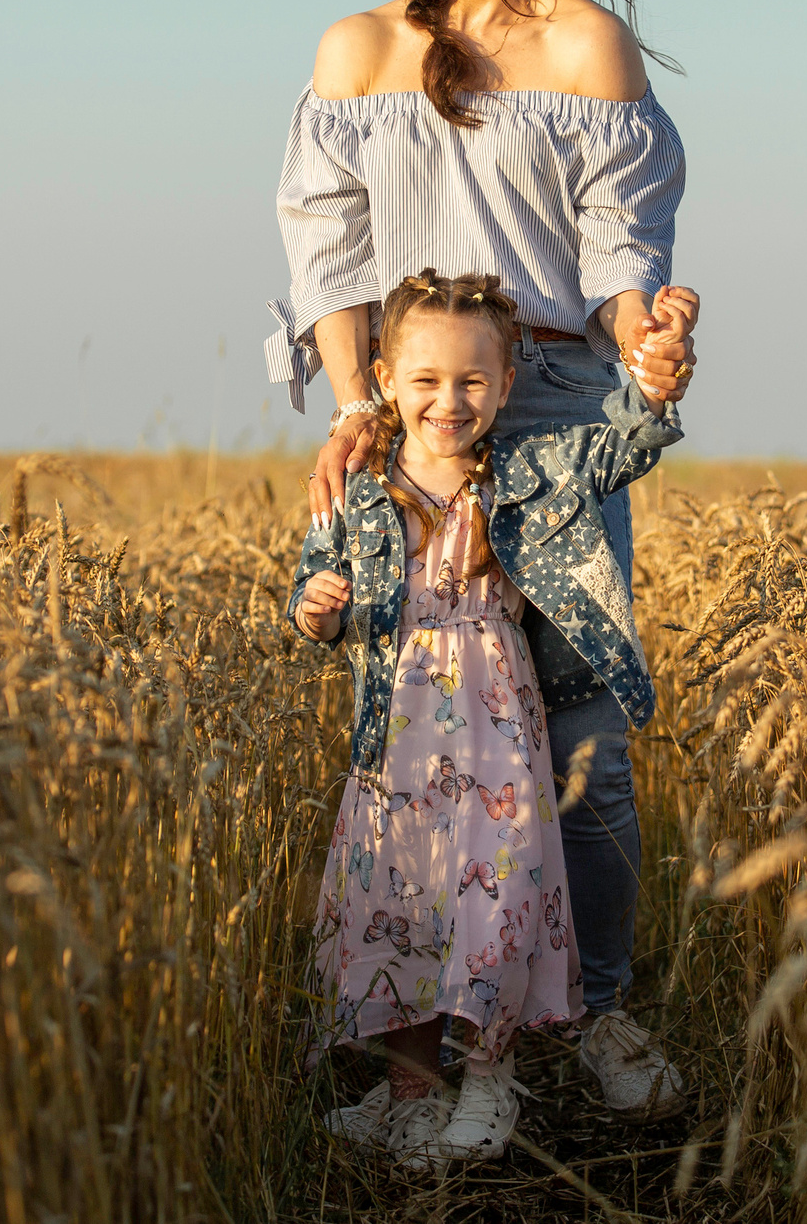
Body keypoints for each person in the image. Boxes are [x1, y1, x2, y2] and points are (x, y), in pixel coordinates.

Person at [266, 0, 695, 1123]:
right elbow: (326, 252)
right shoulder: (358, 50)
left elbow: (626, 259)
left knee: (579, 746)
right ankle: (427, 1032)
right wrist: (354, 408)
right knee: (411, 741)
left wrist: (654, 342)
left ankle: (597, 1010)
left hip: (557, 412)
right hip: (407, 418)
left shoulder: (590, 47)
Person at [294, 271, 696, 1173]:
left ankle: (487, 1082)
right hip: (395, 748)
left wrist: (659, 372)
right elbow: (312, 588)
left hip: (496, 743)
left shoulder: (528, 472)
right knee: (403, 900)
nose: (450, 400)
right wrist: (315, 609)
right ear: (385, 378)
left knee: (492, 900)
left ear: (507, 386)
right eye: (427, 380)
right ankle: (409, 1091)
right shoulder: (359, 489)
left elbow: (624, 442)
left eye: (474, 382)